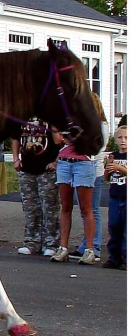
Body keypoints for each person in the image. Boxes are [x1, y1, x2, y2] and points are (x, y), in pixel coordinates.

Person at [12, 117, 61, 256]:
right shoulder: (22, 115)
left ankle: (51, 243)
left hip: (47, 169)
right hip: (27, 168)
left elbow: (60, 141)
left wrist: (56, 162)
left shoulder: (50, 115)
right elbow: (15, 138)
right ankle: (32, 242)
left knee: (50, 207)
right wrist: (16, 158)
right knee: (30, 207)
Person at [69, 93, 109, 261]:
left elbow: (98, 147)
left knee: (92, 210)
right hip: (83, 168)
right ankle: (86, 244)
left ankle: (95, 246)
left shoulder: (101, 125)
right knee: (85, 209)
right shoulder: (85, 125)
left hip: (95, 170)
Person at [50, 126, 97, 264]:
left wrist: (77, 137)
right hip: (64, 162)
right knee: (65, 206)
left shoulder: (87, 118)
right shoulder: (65, 120)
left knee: (85, 207)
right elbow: (59, 139)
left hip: (83, 162)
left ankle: (89, 250)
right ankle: (63, 248)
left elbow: (92, 141)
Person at [102, 126, 127, 269]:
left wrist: (120, 168)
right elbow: (107, 177)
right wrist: (109, 167)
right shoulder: (113, 156)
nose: (123, 141)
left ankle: (126, 258)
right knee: (114, 226)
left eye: (126, 138)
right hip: (115, 195)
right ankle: (114, 257)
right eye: (120, 137)